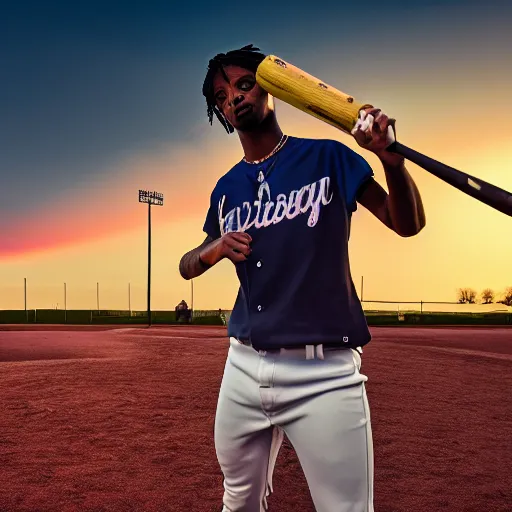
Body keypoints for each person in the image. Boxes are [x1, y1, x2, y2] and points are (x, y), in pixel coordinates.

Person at [179, 44, 425, 512]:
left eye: (244, 83)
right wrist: (213, 248)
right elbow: (187, 264)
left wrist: (393, 162)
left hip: (324, 373)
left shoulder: (329, 158)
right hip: (243, 368)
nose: (234, 96)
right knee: (238, 499)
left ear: (271, 87)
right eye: (222, 95)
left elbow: (405, 223)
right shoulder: (226, 189)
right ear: (220, 113)